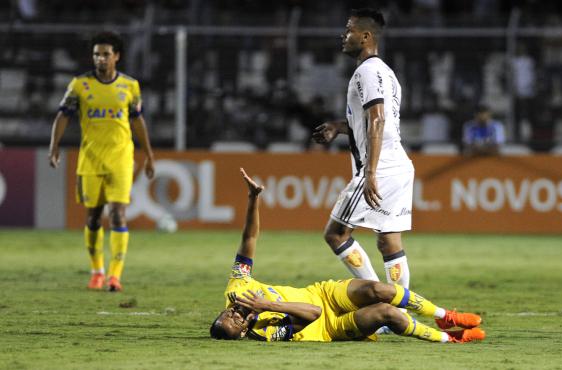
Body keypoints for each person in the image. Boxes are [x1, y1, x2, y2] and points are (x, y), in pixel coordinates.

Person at [210, 168, 485, 343]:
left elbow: (249, 239)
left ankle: (445, 315)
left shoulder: (237, 288)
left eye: (226, 314)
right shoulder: (265, 333)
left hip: (324, 293)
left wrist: (253, 199)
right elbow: (314, 313)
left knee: (379, 289)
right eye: (234, 322)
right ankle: (448, 339)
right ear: (243, 332)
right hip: (331, 326)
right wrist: (268, 305)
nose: (233, 314)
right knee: (387, 313)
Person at [312, 9, 415, 291]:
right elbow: (374, 121)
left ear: (366, 36)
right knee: (389, 241)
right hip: (398, 164)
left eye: (349, 30)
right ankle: (400, 307)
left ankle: (377, 295)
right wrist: (338, 127)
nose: (343, 35)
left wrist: (370, 172)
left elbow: (378, 119)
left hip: (380, 167)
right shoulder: (387, 73)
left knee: (336, 234)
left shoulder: (367, 71)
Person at [48, 31, 155, 292]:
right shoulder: (79, 85)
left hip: (121, 158)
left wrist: (149, 154)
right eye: (97, 54)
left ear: (116, 56)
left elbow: (137, 120)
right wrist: (54, 146)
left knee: (118, 215)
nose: (101, 59)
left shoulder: (130, 86)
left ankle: (114, 276)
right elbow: (63, 115)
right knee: (94, 218)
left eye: (106, 54)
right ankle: (97, 271)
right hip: (91, 159)